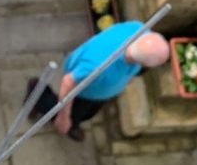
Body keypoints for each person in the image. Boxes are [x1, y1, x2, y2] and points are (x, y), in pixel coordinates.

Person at [27, 21, 169, 142]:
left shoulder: (140, 29)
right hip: (84, 91)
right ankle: (37, 94)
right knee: (71, 111)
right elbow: (68, 82)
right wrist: (63, 117)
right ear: (141, 62)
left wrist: (126, 78)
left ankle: (74, 122)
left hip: (99, 92)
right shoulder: (99, 66)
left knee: (88, 112)